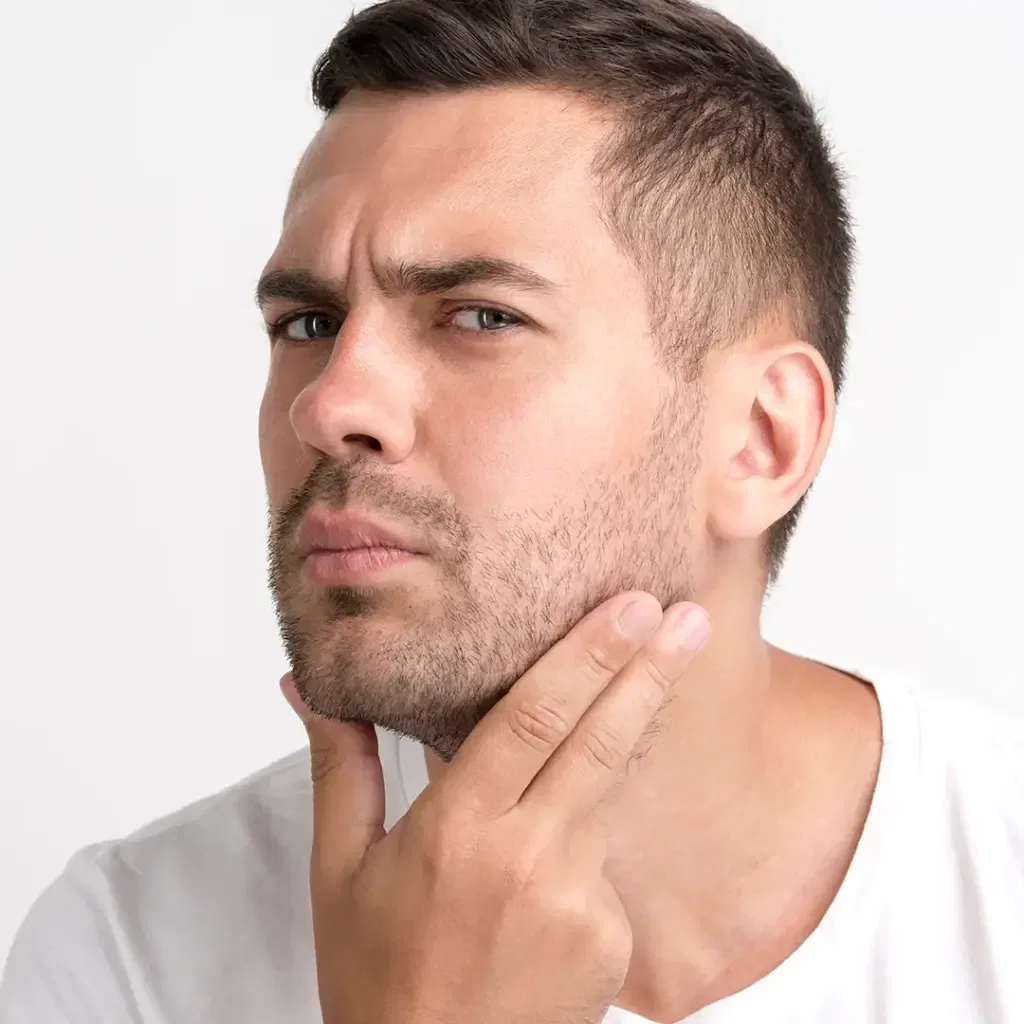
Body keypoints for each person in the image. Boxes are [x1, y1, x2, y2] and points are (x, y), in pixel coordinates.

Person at [3, 0, 1023, 1020]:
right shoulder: (128, 954)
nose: (330, 405)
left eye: (482, 316)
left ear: (761, 438)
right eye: (308, 323)